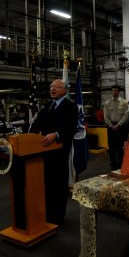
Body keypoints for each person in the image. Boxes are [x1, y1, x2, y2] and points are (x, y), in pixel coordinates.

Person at [29, 79, 78, 225]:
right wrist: (31, 135)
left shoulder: (71, 107)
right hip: (44, 152)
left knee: (58, 184)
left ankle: (57, 217)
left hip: (59, 152)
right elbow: (36, 124)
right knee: (47, 184)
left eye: (56, 87)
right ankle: (46, 214)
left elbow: (72, 127)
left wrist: (56, 134)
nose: (52, 89)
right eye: (51, 87)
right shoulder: (47, 105)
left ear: (65, 90)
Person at [103, 85, 129, 170]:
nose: (114, 92)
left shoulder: (124, 102)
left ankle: (121, 166)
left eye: (116, 90)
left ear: (119, 92)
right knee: (111, 148)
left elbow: (126, 115)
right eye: (112, 90)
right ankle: (113, 167)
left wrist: (118, 125)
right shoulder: (107, 103)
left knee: (120, 148)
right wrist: (111, 126)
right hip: (111, 127)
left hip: (121, 128)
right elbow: (106, 116)